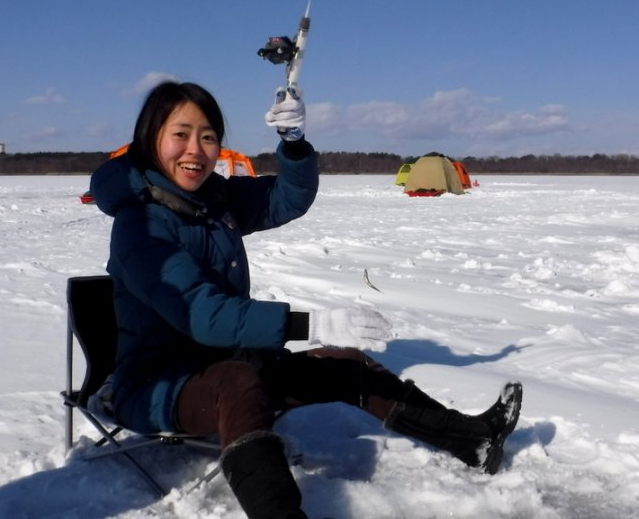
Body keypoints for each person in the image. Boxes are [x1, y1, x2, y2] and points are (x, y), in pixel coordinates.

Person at [90, 81, 523, 519]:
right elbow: (203, 315)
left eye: (208, 137)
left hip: (229, 363)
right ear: (150, 138)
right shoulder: (139, 224)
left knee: (345, 365)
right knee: (237, 382)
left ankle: (473, 439)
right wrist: (310, 324)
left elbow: (286, 199)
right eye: (180, 134)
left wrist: (293, 144)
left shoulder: (214, 200)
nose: (196, 150)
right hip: (153, 387)